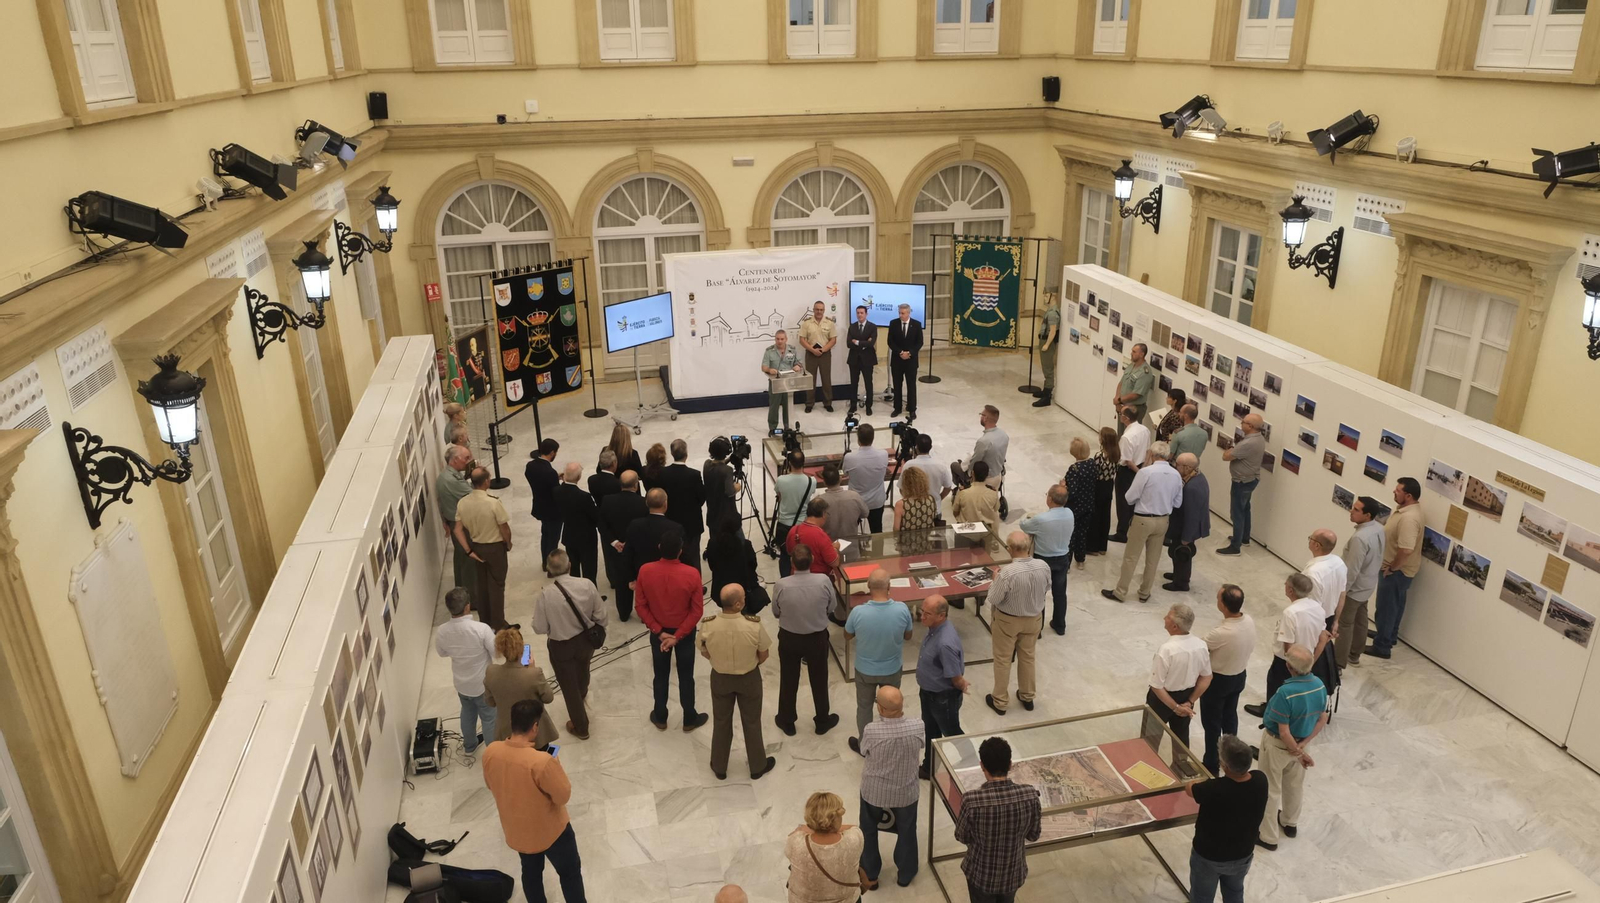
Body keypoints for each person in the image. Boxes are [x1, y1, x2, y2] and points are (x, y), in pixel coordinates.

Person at [481, 700, 586, 903]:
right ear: (535, 726)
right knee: (570, 873)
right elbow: (563, 796)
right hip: (552, 832)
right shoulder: (542, 762)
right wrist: (555, 765)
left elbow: (490, 784)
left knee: (531, 874)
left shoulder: (490, 752)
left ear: (513, 723)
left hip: (519, 832)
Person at [699, 585, 777, 780]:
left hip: (720, 678)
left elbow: (704, 650)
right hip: (749, 678)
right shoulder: (753, 625)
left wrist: (719, 661)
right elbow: (764, 654)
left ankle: (719, 766)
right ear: (738, 604)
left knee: (721, 721)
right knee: (752, 721)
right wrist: (749, 663)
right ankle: (757, 766)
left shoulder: (708, 624)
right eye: (743, 596)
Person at [1255, 645, 1329, 852]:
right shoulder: (1319, 685)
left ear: (1289, 667)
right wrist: (1303, 747)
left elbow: (1284, 731)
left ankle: (1268, 837)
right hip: (1302, 741)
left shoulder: (1285, 692)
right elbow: (1323, 717)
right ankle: (1290, 823)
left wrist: (1295, 750)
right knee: (1294, 785)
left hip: (1278, 745)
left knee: (1270, 789)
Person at [635, 532, 708, 733]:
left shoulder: (645, 571)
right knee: (686, 675)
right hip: (683, 634)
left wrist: (659, 632)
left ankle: (660, 715)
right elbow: (697, 611)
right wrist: (678, 636)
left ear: (660, 548)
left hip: (658, 633)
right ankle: (689, 718)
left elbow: (640, 606)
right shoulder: (692, 574)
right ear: (680, 551)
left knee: (660, 674)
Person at [954, 736, 1042, 903]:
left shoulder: (972, 801)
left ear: (982, 766)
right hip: (1013, 873)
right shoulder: (1030, 795)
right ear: (1009, 764)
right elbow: (1033, 835)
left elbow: (962, 836)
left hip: (981, 874)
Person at [532, 549, 606, 740]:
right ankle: (582, 693)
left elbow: (539, 627)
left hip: (561, 645)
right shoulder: (587, 585)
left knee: (567, 685)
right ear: (570, 564)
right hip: (586, 640)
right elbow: (601, 615)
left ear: (549, 570)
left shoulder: (546, 595)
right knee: (584, 667)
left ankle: (581, 727)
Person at [1185, 734, 1268, 903]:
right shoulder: (1260, 780)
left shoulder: (1213, 788)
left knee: (1202, 897)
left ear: (1225, 765)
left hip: (1209, 857)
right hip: (1243, 853)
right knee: (1235, 893)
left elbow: (1190, 788)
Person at [858, 686, 923, 890]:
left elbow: (863, 750)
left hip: (874, 792)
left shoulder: (871, 730)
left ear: (881, 709)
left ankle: (870, 874)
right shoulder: (918, 726)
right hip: (906, 792)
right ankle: (905, 874)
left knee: (868, 831)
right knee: (907, 831)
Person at [1101, 441, 1183, 604]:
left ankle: (1121, 591)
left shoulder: (1146, 472)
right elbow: (1178, 503)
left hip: (1143, 519)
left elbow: (1129, 497)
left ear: (1152, 455)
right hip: (1163, 520)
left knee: (1131, 557)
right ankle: (1145, 592)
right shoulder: (1176, 475)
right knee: (1153, 559)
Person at [773, 544, 840, 736]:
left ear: (792, 564)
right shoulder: (824, 581)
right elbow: (832, 607)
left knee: (789, 679)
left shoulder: (782, 584)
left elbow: (776, 612)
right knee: (819, 679)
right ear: (811, 561)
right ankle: (822, 720)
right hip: (816, 637)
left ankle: (787, 720)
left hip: (789, 638)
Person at [844, 569, 914, 752]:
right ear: (889, 586)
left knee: (864, 708)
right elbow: (908, 636)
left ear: (868, 586)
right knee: (890, 708)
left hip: (865, 670)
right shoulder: (902, 609)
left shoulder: (858, 612)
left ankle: (865, 746)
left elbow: (847, 634)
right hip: (891, 669)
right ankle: (890, 744)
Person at [1243, 574, 1328, 719]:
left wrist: (1291, 663)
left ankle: (1271, 711)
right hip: (1307, 656)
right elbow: (1323, 637)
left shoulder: (1290, 613)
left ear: (1290, 590)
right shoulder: (1318, 608)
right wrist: (1311, 661)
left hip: (1287, 660)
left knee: (1275, 683)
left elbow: (1288, 643)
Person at [985, 532, 1049, 716]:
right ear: (1028, 547)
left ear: (1010, 549)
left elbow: (993, 598)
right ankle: (1027, 696)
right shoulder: (1043, 566)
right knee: (1028, 657)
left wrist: (994, 581)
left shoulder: (1007, 573)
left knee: (1003, 660)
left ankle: (1000, 701)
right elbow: (1047, 588)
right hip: (1034, 618)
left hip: (1008, 621)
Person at [435, 587, 498, 755]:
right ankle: (493, 754)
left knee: (467, 713)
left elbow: (442, 653)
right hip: (483, 685)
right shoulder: (481, 629)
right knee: (489, 718)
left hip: (461, 683)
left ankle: (469, 746)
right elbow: (496, 653)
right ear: (467, 607)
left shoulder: (442, 631)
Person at [1199, 585, 1254, 776]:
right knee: (1230, 717)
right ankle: (1233, 756)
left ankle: (1211, 764)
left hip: (1218, 682)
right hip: (1239, 676)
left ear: (1222, 604)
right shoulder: (1248, 620)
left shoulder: (1221, 633)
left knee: (1212, 723)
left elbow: (1200, 648)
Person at [1369, 477, 1423, 660]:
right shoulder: (1406, 511)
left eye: (1397, 490)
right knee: (1394, 606)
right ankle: (1387, 637)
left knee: (1386, 608)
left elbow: (1406, 549)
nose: (1394, 491)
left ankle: (1382, 646)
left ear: (1408, 495)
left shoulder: (1409, 518)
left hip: (1396, 571)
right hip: (1398, 570)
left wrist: (1392, 568)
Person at [1147, 602, 1213, 748]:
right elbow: (1207, 677)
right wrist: (1189, 702)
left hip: (1162, 700)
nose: (1164, 617)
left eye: (1168, 617)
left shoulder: (1166, 650)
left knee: (1150, 739)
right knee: (1181, 741)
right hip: (1187, 697)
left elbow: (1157, 686)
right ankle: (1181, 768)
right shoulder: (1201, 645)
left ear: (1175, 627)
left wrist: (1176, 707)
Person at [916, 595, 967, 779]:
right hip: (929, 693)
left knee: (952, 732)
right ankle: (929, 768)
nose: (922, 617)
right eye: (922, 611)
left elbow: (955, 675)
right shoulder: (934, 628)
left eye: (927, 614)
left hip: (942, 697)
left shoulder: (945, 643)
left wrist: (961, 684)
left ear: (941, 615)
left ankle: (970, 762)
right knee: (931, 732)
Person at [454, 468, 511, 630]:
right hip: (494, 548)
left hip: (476, 547)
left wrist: (468, 551)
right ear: (486, 482)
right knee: (497, 586)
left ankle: (485, 621)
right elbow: (504, 528)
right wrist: (508, 543)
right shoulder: (493, 503)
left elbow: (457, 529)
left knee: (482, 585)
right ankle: (499, 623)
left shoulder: (463, 502)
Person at [483, 626, 558, 746]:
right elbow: (548, 698)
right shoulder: (534, 674)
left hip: (507, 731)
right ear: (521, 649)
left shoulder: (491, 672)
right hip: (533, 731)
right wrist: (532, 670)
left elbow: (490, 702)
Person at [784, 792, 864, 903]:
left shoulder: (795, 841)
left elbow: (789, 852)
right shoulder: (854, 838)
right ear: (837, 817)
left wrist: (809, 828)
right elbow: (853, 827)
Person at [1335, 496, 1386, 669]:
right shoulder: (1378, 529)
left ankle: (1338, 663)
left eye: (1356, 510)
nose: (1351, 511)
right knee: (1361, 619)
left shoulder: (1360, 538)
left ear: (1367, 515)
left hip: (1354, 588)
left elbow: (1352, 569)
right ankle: (1355, 654)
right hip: (1368, 584)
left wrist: (1343, 591)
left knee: (1345, 624)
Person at [1020, 483, 1074, 635]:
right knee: (1060, 593)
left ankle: (1038, 629)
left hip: (1043, 559)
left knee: (1039, 594)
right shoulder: (1070, 513)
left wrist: (1028, 516)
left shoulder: (1042, 519)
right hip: (1063, 557)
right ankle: (1059, 624)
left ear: (1050, 499)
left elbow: (1024, 526)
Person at [598, 470, 648, 621]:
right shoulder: (643, 503)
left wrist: (614, 542)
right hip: (639, 550)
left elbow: (601, 524)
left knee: (621, 582)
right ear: (636, 485)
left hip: (617, 550)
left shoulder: (607, 500)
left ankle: (624, 613)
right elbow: (645, 527)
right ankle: (643, 614)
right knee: (642, 582)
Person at [1217, 413, 1266, 555]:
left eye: (1243, 422)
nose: (1241, 423)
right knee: (1245, 509)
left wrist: (1230, 450)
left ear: (1250, 426)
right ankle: (1244, 538)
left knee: (1237, 513)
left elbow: (1226, 457)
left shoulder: (1248, 443)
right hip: (1250, 479)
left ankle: (1235, 546)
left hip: (1242, 481)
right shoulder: (1258, 438)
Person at [705, 511, 769, 618]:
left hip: (720, 589)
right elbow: (753, 565)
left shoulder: (712, 543)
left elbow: (712, 566)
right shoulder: (745, 545)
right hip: (743, 589)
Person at [1162, 452, 1211, 592]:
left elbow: (1192, 515)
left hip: (1185, 528)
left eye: (1177, 465)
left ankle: (1181, 583)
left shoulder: (1192, 488)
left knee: (1182, 552)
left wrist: (1186, 538)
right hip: (1181, 524)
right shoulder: (1196, 476)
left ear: (1187, 467)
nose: (1175, 466)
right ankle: (1177, 574)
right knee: (1175, 551)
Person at [437, 444, 478, 602]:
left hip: (454, 521)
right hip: (459, 525)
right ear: (455, 460)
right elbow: (475, 494)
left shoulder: (449, 475)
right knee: (468, 561)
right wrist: (477, 476)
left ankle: (463, 591)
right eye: (466, 458)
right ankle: (471, 599)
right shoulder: (450, 480)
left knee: (461, 558)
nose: (470, 460)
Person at [657, 439, 707, 572]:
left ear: (672, 453)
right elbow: (701, 497)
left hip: (670, 520)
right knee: (693, 557)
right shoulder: (694, 475)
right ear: (686, 454)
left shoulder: (663, 473)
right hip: (692, 523)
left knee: (673, 558)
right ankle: (696, 585)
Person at [773, 448, 818, 578]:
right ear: (804, 463)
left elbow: (779, 496)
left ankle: (786, 579)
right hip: (802, 524)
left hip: (784, 524)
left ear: (789, 463)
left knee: (785, 556)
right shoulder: (811, 481)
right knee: (803, 555)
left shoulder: (781, 480)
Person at [624, 488, 680, 589]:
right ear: (665, 504)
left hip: (643, 576)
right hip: (669, 577)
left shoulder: (634, 525)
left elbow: (628, 553)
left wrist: (631, 578)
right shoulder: (675, 528)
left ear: (646, 503)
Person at [554, 462, 599, 582]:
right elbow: (595, 516)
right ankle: (590, 595)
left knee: (573, 569)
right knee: (589, 570)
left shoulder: (557, 491)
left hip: (569, 535)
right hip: (587, 538)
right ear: (579, 478)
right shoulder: (584, 497)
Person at [1112, 406, 1151, 542]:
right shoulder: (1145, 430)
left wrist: (1140, 473)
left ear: (1125, 418)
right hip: (1140, 466)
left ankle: (1122, 533)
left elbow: (1127, 461)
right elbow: (1147, 451)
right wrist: (1144, 469)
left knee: (1123, 501)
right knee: (1134, 500)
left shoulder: (1127, 437)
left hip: (1128, 471)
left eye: (1121, 413)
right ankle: (1132, 526)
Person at [841, 424, 890, 532]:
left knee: (851, 531)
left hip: (856, 501)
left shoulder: (850, 457)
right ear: (873, 438)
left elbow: (845, 473)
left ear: (858, 439)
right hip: (876, 501)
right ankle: (878, 549)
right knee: (877, 531)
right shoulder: (883, 454)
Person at [953, 405, 1009, 491]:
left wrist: (968, 474)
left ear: (985, 418)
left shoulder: (984, 441)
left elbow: (975, 462)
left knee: (954, 466)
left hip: (984, 478)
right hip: (998, 474)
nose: (980, 417)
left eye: (981, 414)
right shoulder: (1004, 435)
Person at [525, 438, 563, 564]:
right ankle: (551, 566)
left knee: (545, 535)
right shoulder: (550, 472)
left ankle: (544, 562)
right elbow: (556, 492)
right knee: (553, 539)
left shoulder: (530, 466)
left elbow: (540, 481)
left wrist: (554, 478)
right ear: (552, 452)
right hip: (553, 511)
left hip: (540, 506)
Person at [1302, 528, 1349, 628]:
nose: (1309, 540)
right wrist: (1336, 621)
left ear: (1317, 545)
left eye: (1311, 538)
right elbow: (1342, 594)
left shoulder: (1312, 573)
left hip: (1314, 622)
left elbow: (1312, 608)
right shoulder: (1339, 562)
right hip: (1330, 618)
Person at [1062, 438, 1097, 570]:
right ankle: (1080, 560)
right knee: (1082, 533)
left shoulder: (1074, 469)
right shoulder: (1092, 464)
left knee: (1071, 535)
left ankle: (1067, 564)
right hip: (1088, 504)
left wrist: (1063, 486)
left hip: (1074, 508)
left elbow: (1072, 492)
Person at [762, 328, 806, 433]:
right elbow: (763, 367)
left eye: (782, 339)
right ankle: (772, 428)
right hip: (775, 382)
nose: (780, 341)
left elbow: (799, 363)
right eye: (777, 339)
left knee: (788, 405)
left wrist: (797, 366)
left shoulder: (792, 349)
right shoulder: (769, 351)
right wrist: (769, 369)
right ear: (775, 339)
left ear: (786, 339)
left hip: (789, 382)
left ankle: (788, 427)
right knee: (774, 406)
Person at [787, 497, 841, 577]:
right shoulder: (820, 535)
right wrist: (835, 548)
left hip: (796, 577)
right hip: (819, 578)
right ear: (823, 514)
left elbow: (789, 552)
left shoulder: (794, 530)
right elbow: (834, 562)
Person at [801, 300, 838, 414]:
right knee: (810, 380)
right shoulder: (806, 323)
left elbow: (833, 339)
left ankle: (827, 403)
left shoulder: (829, 323)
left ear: (824, 310)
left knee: (826, 379)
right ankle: (809, 403)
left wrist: (823, 349)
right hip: (811, 354)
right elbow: (802, 340)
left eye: (821, 309)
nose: (819, 311)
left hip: (825, 354)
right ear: (813, 309)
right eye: (817, 309)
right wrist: (812, 350)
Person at [886, 303, 923, 419]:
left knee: (911, 385)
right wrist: (900, 352)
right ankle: (897, 408)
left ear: (908, 313)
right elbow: (890, 342)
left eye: (903, 313)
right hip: (897, 360)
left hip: (911, 361)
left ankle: (912, 409)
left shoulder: (916, 325)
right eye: (899, 313)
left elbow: (919, 342)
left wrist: (910, 353)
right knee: (897, 385)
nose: (901, 315)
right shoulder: (893, 323)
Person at [1111, 342, 1156, 432]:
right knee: (1121, 434)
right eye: (1132, 351)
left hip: (1134, 409)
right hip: (1123, 406)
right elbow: (1121, 382)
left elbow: (1136, 394)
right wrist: (1117, 400)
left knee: (1131, 434)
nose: (1131, 353)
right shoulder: (1132, 365)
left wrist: (1120, 400)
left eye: (1134, 352)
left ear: (1141, 354)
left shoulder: (1145, 373)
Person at [819, 462, 868, 541]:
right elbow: (865, 513)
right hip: (852, 545)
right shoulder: (854, 496)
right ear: (840, 479)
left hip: (830, 546)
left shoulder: (819, 501)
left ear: (824, 482)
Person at [1089, 428, 1119, 555]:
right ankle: (1103, 547)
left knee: (1095, 515)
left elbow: (1094, 474)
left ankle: (1093, 547)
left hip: (1099, 486)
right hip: (1109, 485)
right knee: (1105, 515)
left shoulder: (1099, 456)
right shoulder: (1116, 453)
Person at [951, 461, 1001, 534]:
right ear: (987, 475)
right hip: (986, 531)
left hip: (966, 531)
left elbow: (955, 511)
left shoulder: (963, 492)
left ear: (972, 473)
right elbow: (996, 509)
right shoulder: (993, 493)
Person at [846, 304, 879, 415]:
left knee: (868, 383)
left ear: (866, 314)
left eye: (862, 313)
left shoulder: (872, 327)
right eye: (858, 313)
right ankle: (853, 405)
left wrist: (858, 342)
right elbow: (849, 343)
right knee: (853, 383)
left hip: (868, 359)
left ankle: (869, 406)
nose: (859, 315)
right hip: (854, 359)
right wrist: (865, 343)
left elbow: (871, 343)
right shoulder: (852, 326)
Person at [703, 436, 741, 530]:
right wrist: (737, 487)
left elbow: (718, 466)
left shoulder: (707, 464)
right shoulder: (728, 470)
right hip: (726, 517)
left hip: (712, 514)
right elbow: (730, 492)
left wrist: (729, 459)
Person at [904, 433, 954, 501]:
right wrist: (938, 499)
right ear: (931, 447)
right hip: (935, 508)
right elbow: (948, 487)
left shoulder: (908, 465)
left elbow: (902, 488)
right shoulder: (941, 465)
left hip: (914, 508)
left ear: (916, 447)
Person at [1031, 290, 1060, 408]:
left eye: (1047, 296)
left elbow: (1052, 331)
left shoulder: (1053, 313)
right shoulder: (1050, 310)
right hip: (1044, 339)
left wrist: (1047, 344)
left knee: (1048, 368)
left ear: (1053, 297)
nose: (1044, 298)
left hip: (1047, 341)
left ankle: (1047, 395)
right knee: (1045, 366)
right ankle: (1045, 389)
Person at [892, 463, 939, 531]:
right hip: (926, 539)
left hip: (906, 540)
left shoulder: (901, 504)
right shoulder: (931, 499)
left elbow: (896, 529)